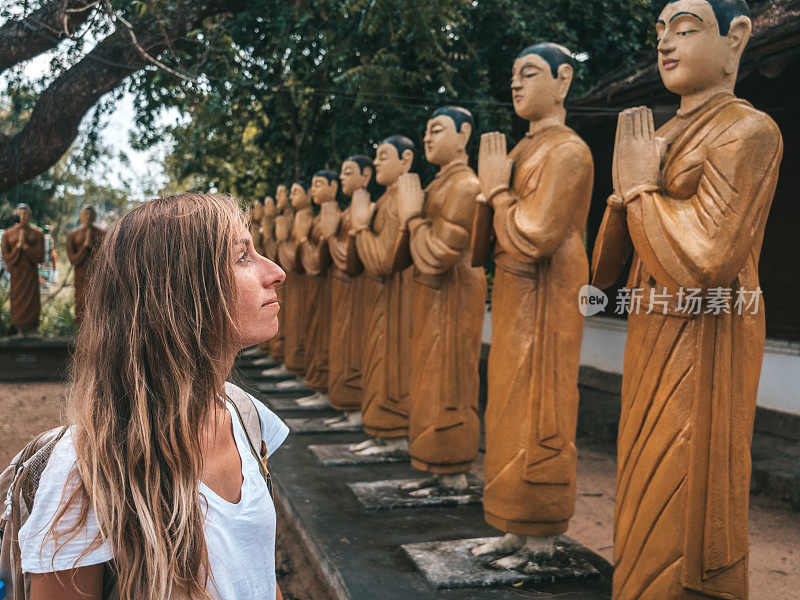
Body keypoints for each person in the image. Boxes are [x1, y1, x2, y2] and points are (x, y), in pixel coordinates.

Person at [592, 1, 782, 598]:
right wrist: (624, 195)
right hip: (652, 328)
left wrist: (644, 187)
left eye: (686, 29)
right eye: (660, 33)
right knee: (642, 479)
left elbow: (705, 264)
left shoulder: (750, 132)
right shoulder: (661, 134)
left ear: (737, 40)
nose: (666, 43)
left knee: (687, 494)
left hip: (710, 332)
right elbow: (603, 274)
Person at [19, 194, 289, 600]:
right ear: (180, 293)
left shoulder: (248, 419)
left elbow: (259, 575)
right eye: (241, 258)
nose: (276, 272)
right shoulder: (87, 470)